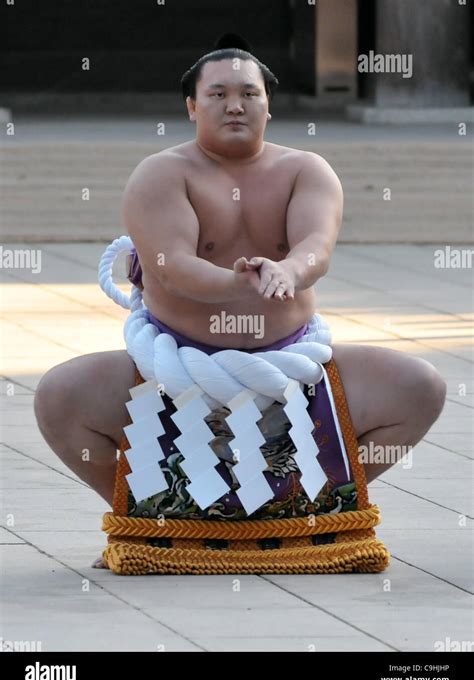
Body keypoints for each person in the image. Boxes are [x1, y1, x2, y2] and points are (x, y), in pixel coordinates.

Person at [33, 34, 446, 568]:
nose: (235, 104)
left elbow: (316, 250)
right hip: (175, 372)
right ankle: (156, 514)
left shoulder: (306, 170)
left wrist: (287, 270)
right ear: (191, 106)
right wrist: (237, 282)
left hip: (290, 368)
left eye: (249, 93)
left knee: (422, 387)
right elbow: (171, 265)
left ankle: (307, 506)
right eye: (218, 93)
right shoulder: (162, 173)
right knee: (59, 397)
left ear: (268, 105)